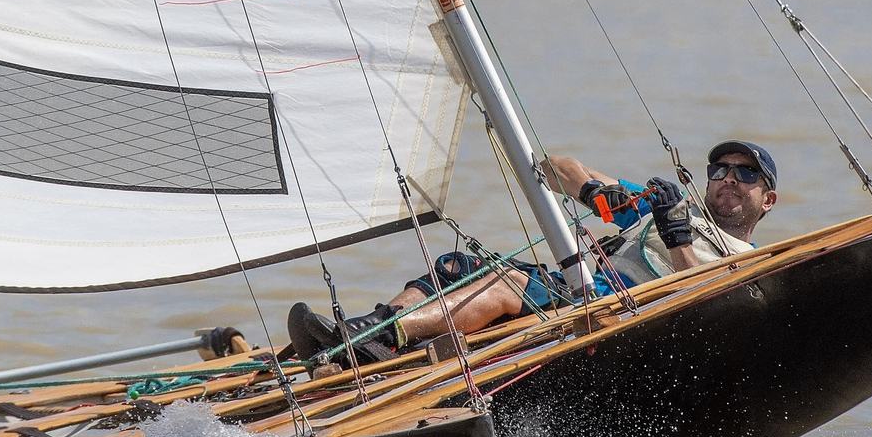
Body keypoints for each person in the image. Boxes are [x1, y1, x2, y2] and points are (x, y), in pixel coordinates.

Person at [288, 140, 779, 364]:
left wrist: (677, 238)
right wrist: (596, 192)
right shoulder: (666, 206)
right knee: (458, 267)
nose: (729, 179)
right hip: (576, 292)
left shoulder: (747, 259)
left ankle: (378, 336)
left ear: (768, 200)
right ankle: (368, 336)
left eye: (746, 174)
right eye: (719, 170)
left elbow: (703, 303)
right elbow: (556, 166)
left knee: (505, 284)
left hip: (617, 322)